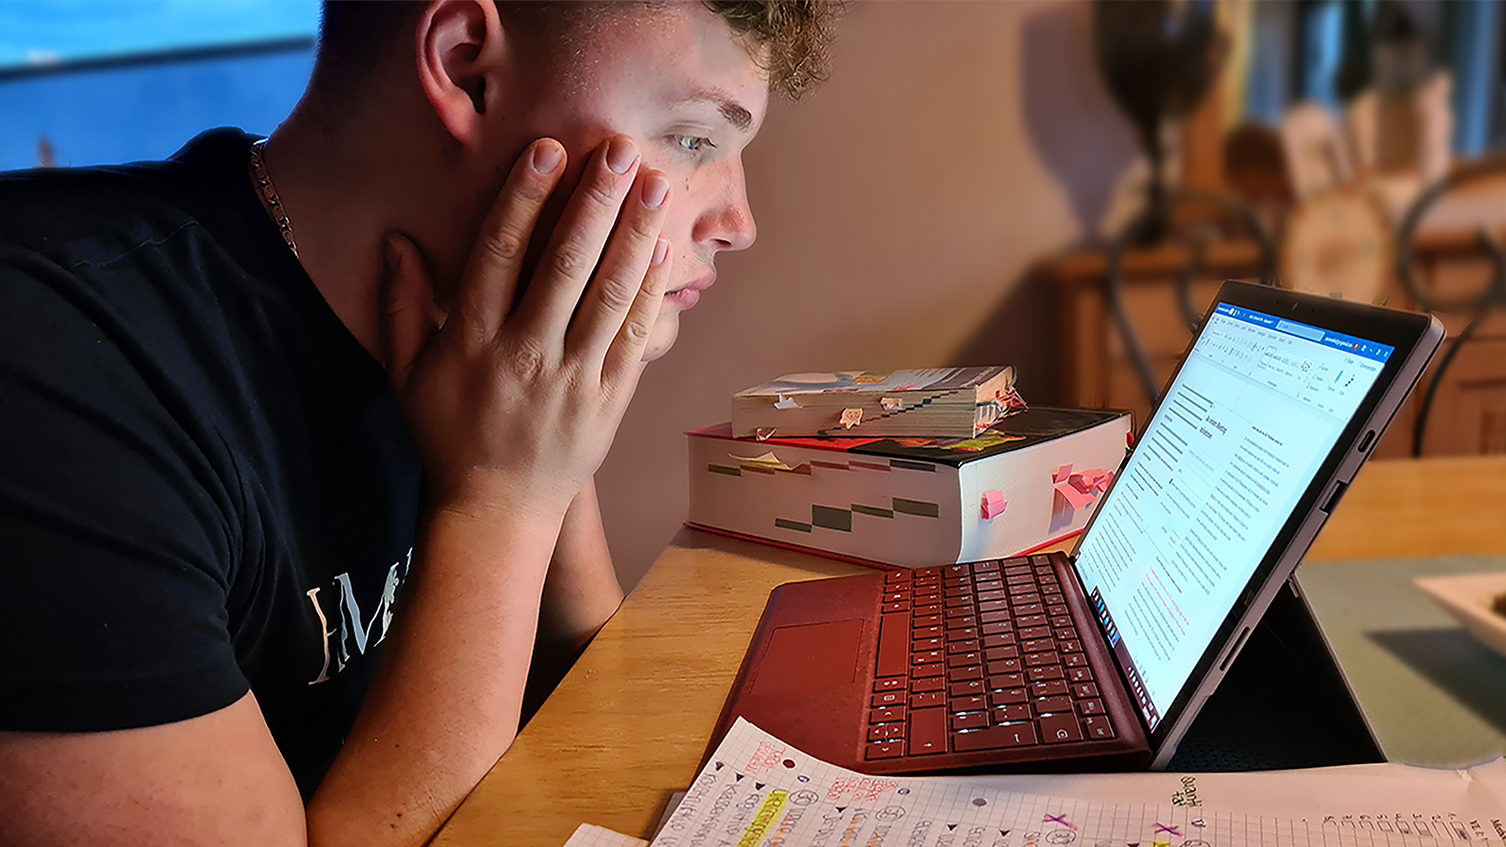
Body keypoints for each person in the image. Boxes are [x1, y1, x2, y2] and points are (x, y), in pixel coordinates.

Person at [0, 2, 836, 844]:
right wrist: (502, 497)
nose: (738, 224)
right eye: (694, 140)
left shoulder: (469, 324)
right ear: (466, 68)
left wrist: (547, 456)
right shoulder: (54, 365)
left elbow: (598, 711)